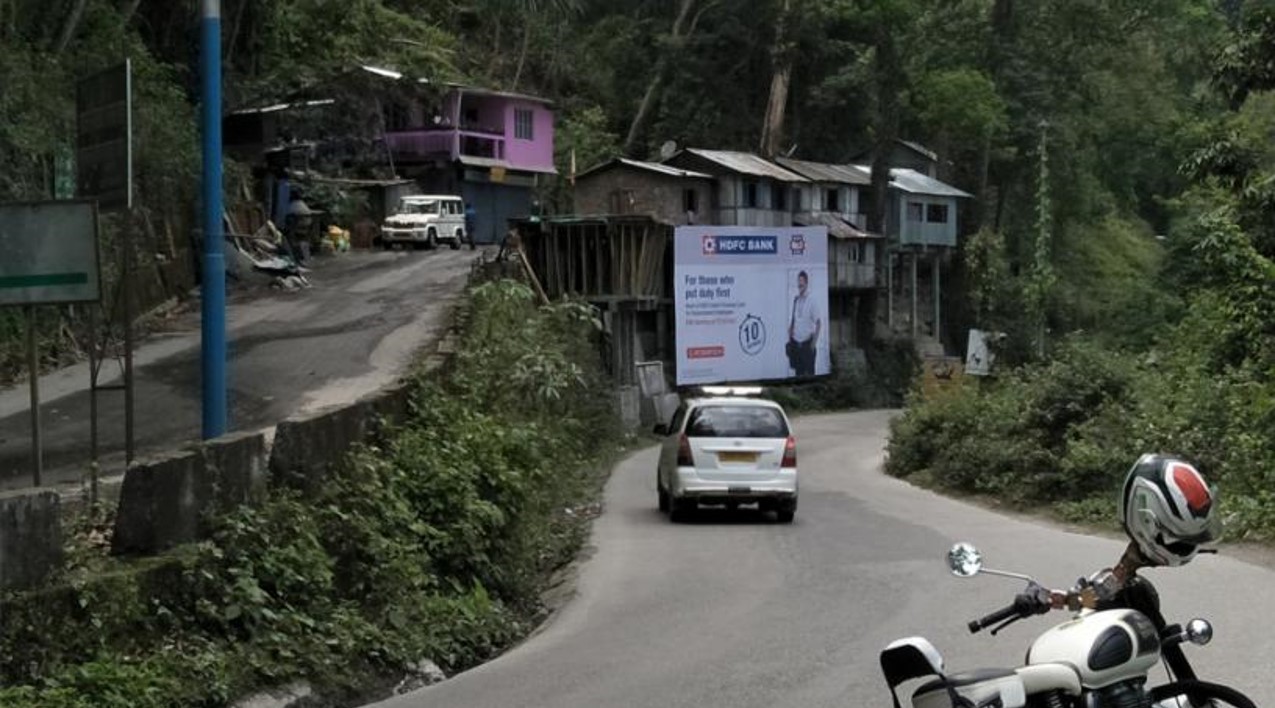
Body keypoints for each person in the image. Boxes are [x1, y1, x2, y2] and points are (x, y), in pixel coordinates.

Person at [787, 270, 822, 377]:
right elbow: (794, 319)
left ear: (806, 283)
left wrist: (813, 344)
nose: (799, 284)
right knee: (798, 376)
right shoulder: (796, 300)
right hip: (796, 346)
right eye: (798, 281)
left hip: (807, 345)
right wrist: (790, 335)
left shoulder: (812, 300)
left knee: (810, 378)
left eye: (801, 281)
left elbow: (819, 323)